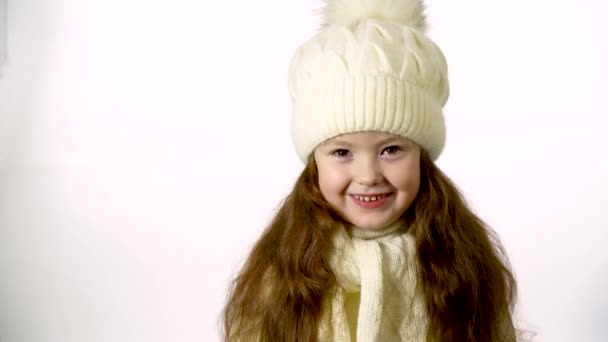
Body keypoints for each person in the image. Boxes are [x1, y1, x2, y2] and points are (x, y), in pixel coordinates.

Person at [222, 0, 518, 341]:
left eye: (391, 149)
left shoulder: (463, 267)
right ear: (314, 161)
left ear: (422, 156)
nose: (368, 175)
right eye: (342, 152)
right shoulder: (281, 274)